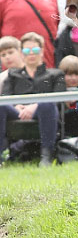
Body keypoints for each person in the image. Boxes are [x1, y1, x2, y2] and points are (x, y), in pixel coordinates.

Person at [0, 31, 64, 166]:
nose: (31, 53)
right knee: (1, 105)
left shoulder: (56, 74)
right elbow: (6, 96)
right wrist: (16, 106)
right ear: (22, 52)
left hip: (44, 111)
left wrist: (35, 105)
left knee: (46, 104)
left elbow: (59, 98)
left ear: (41, 51)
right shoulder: (12, 75)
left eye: (35, 49)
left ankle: (46, 156)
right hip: (17, 111)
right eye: (26, 50)